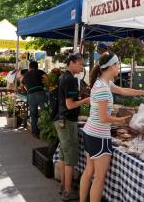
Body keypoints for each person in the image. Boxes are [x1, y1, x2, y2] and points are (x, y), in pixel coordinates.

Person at [80, 51, 144, 202]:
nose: (119, 67)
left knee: (89, 171)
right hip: (98, 136)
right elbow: (103, 117)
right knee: (99, 178)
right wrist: (122, 121)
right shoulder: (103, 88)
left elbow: (123, 90)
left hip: (90, 132)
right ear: (111, 66)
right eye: (117, 64)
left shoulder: (103, 82)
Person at [55, 53, 90, 201]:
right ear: (72, 62)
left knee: (63, 155)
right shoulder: (70, 79)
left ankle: (64, 186)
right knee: (69, 158)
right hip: (67, 121)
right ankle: (68, 192)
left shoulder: (64, 77)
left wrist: (80, 97)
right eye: (81, 64)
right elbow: (70, 105)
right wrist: (86, 100)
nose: (82, 67)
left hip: (61, 120)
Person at [22, 61, 47, 136]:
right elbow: (47, 79)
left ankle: (35, 132)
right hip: (40, 92)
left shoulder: (26, 74)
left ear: (30, 67)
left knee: (33, 114)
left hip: (31, 95)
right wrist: (47, 87)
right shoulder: (40, 71)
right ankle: (46, 131)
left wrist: (27, 89)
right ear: (37, 66)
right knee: (45, 112)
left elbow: (22, 85)